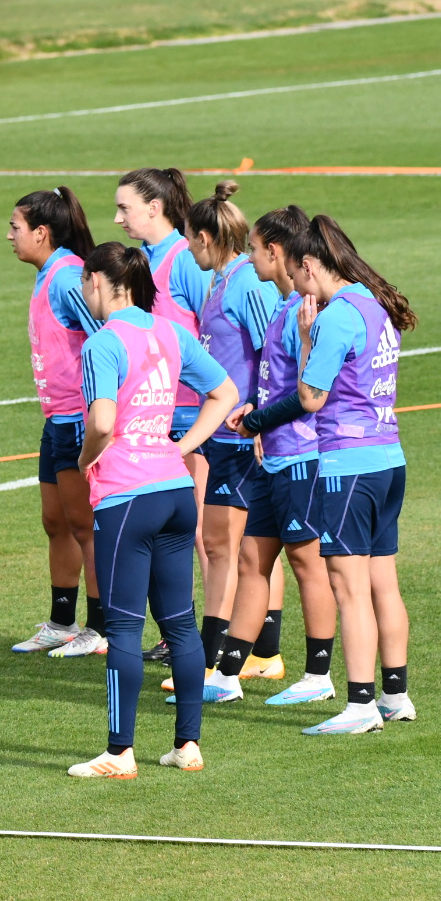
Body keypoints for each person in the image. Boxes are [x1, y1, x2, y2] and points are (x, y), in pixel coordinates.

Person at [66, 243, 237, 780]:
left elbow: (101, 422)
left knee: (122, 629)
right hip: (172, 491)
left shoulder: (103, 343)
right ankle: (187, 745)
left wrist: (85, 459)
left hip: (126, 496)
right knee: (181, 624)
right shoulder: (168, 330)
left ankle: (119, 753)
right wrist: (181, 448)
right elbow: (224, 391)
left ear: (98, 281)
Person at [284, 216, 415, 735]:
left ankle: (360, 705)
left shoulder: (336, 317)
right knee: (384, 582)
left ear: (311, 265)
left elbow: (310, 398)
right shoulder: (372, 302)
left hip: (348, 467)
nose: (295, 286)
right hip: (388, 459)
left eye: (296, 275)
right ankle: (394, 694)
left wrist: (304, 339)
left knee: (349, 587)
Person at [215, 207, 337, 706]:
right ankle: (226, 674)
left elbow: (309, 394)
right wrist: (254, 408)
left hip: (301, 459)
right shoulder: (286, 306)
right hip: (274, 460)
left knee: (308, 564)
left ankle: (319, 673)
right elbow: (279, 383)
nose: (249, 259)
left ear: (275, 252)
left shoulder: (306, 312)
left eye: (254, 250)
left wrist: (257, 420)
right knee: (252, 561)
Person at [173, 181, 280, 696]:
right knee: (237, 549)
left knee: (225, 547)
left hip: (241, 438)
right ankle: (255, 654)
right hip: (223, 434)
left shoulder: (246, 284)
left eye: (192, 239)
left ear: (210, 237)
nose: (188, 248)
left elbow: (272, 354)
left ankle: (212, 662)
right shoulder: (222, 280)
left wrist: (258, 415)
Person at [111, 169, 220, 668]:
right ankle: (180, 635)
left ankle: (225, 643)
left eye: (125, 208)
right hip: (156, 418)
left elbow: (214, 330)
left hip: (193, 416)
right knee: (176, 534)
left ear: (154, 208)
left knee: (205, 534)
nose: (117, 218)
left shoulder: (184, 262)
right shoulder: (145, 262)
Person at [6, 187, 106, 658]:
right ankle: (62, 621)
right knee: (56, 521)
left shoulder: (68, 278)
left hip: (77, 421)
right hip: (56, 422)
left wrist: (98, 413)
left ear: (41, 233)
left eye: (16, 227)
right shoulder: (51, 273)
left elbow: (108, 337)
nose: (10, 235)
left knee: (84, 525)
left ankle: (99, 627)